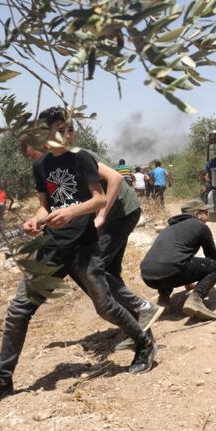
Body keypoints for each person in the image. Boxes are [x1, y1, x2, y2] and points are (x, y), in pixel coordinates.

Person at [0, 108, 158, 409]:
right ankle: (2, 379)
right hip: (52, 247)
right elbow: (45, 206)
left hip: (83, 246)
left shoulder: (81, 158)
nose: (69, 134)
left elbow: (99, 198)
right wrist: (34, 221)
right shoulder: (39, 166)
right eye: (62, 130)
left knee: (105, 306)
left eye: (70, 129)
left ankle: (143, 343)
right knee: (18, 311)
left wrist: (73, 212)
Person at [19, 133, 163, 352]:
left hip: (120, 213)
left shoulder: (76, 156)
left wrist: (101, 216)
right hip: (113, 215)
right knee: (109, 272)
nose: (34, 162)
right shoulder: (51, 166)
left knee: (94, 270)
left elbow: (114, 178)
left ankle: (143, 310)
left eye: (33, 155)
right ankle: (138, 327)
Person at [140, 199, 216, 321]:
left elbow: (180, 257)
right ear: (196, 213)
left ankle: (163, 300)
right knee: (215, 267)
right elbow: (212, 256)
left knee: (167, 263)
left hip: (148, 276)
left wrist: (188, 282)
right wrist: (204, 286)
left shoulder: (169, 228)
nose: (208, 215)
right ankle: (195, 299)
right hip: (170, 269)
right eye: (206, 212)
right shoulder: (200, 226)